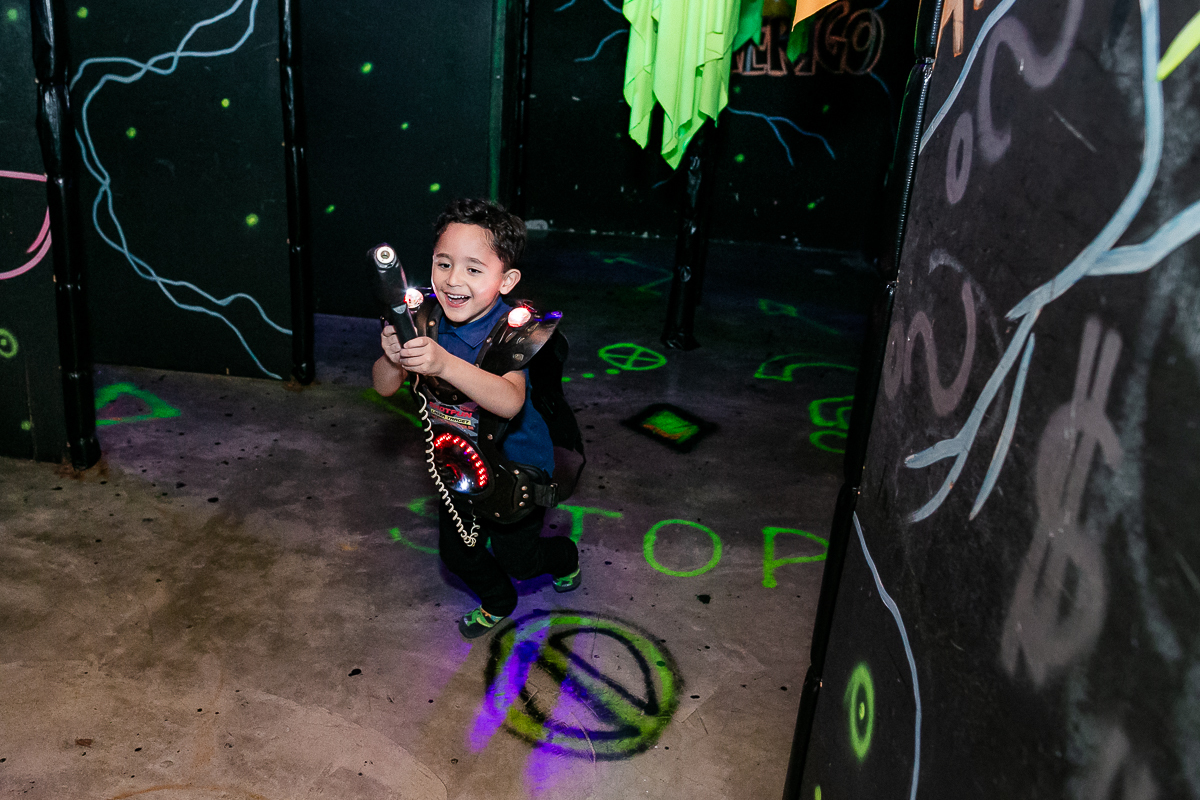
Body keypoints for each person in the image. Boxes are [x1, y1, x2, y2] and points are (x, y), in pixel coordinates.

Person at [373, 198, 580, 639]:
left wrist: (444, 364)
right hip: (461, 466)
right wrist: (394, 358)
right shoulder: (425, 319)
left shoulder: (512, 331)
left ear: (506, 280)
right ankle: (498, 600)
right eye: (443, 263)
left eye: (473, 269)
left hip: (516, 470)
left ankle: (564, 557)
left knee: (519, 561)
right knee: (458, 555)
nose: (453, 281)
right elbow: (384, 386)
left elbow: (508, 402)